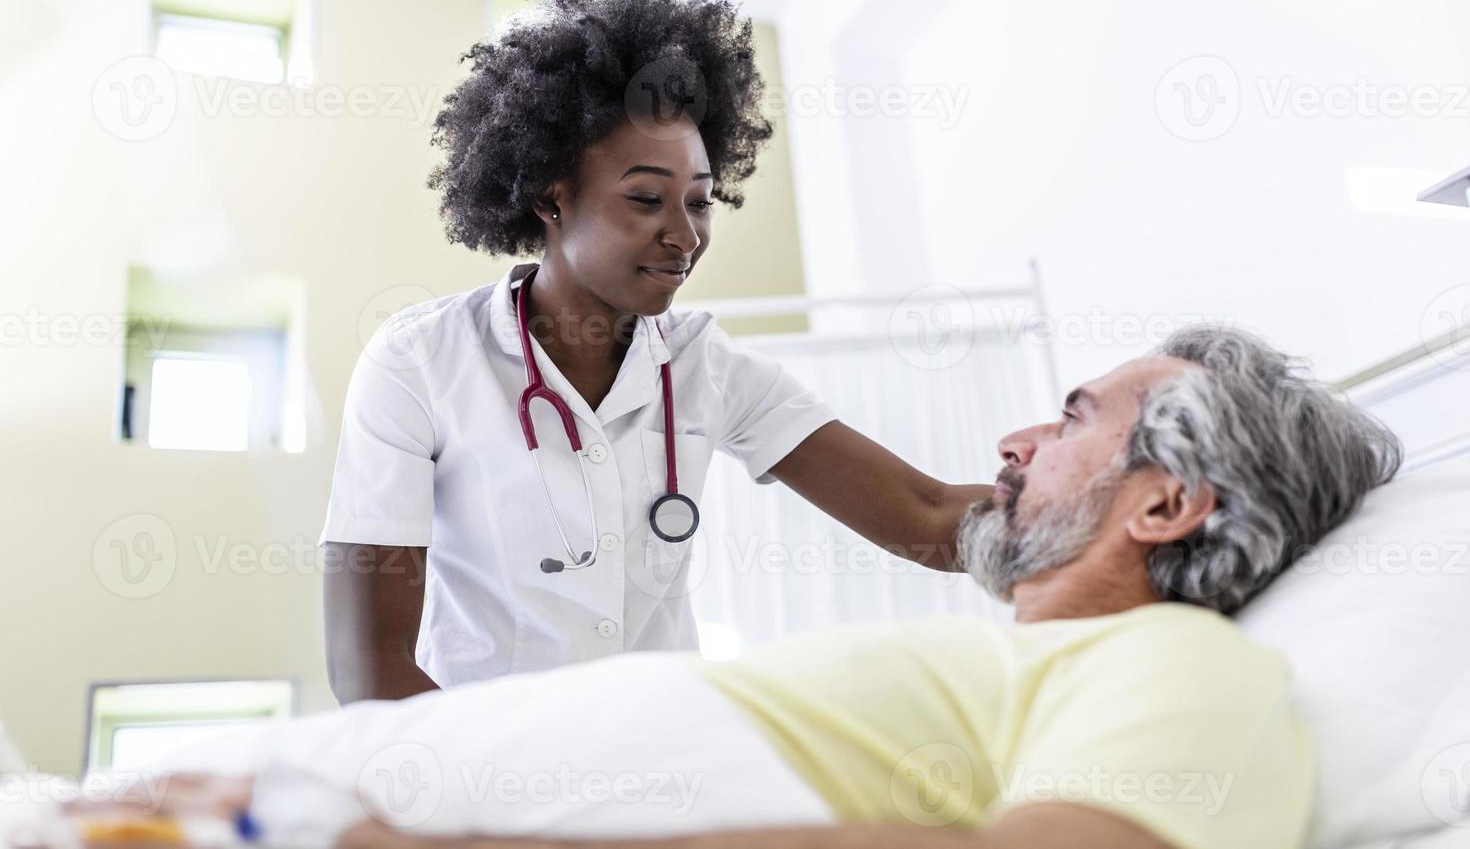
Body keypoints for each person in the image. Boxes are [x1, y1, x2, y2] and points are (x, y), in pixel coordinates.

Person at [32, 325, 1402, 849]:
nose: (1011, 439)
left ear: (1166, 504)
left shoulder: (1187, 669)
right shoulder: (420, 359)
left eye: (1065, 416)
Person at [321, 0, 989, 704]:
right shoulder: (419, 363)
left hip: (667, 761)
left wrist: (1100, 506)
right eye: (645, 199)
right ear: (551, 196)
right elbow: (370, 673)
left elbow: (924, 514)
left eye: (699, 203)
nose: (685, 237)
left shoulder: (706, 366)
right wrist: (493, 793)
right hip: (487, 770)